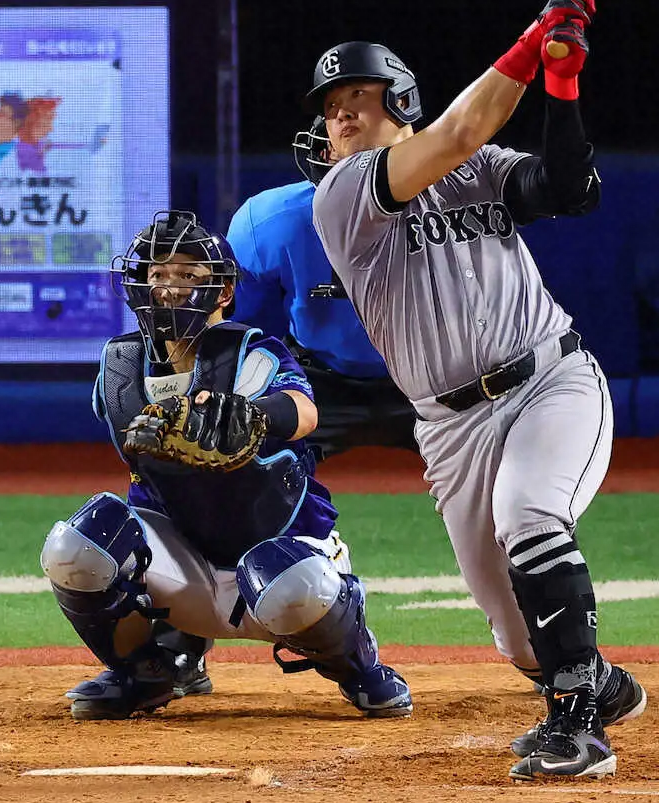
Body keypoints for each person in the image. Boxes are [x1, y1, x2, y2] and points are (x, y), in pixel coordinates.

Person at [308, 0, 646, 781]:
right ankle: (596, 682)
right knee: (517, 639)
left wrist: (561, 85)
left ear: (399, 98)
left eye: (355, 97)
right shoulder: (343, 193)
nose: (340, 116)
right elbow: (459, 130)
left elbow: (566, 188)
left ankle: (580, 727)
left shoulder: (478, 167)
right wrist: (532, 44)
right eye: (329, 108)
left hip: (548, 380)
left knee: (530, 516)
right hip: (450, 425)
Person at [39, 209, 412, 722]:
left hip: (279, 554)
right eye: (158, 273)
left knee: (289, 583)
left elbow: (304, 412)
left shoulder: (250, 351)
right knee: (78, 543)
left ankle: (357, 663)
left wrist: (254, 417)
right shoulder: (120, 364)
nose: (169, 286)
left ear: (223, 291)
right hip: (182, 568)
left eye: (188, 274)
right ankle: (150, 670)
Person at [225, 111, 418, 462]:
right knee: (241, 455)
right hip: (318, 377)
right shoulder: (269, 220)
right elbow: (235, 326)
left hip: (427, 372)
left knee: (491, 461)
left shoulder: (442, 205)